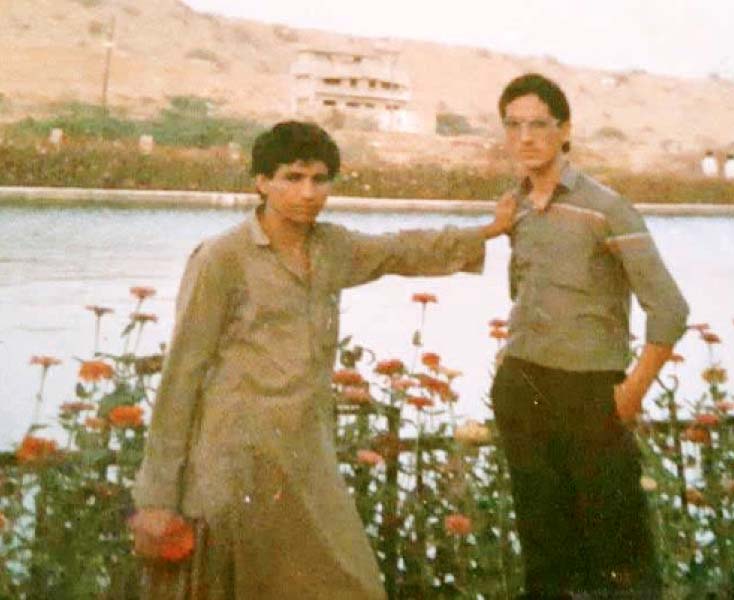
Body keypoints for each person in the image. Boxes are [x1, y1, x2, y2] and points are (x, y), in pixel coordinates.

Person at [129, 121, 515, 599]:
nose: (308, 193)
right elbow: (181, 376)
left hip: (307, 459)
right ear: (261, 182)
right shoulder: (222, 259)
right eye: (292, 178)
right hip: (234, 465)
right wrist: (157, 499)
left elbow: (399, 250)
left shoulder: (332, 248)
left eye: (320, 179)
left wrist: (489, 230)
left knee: (354, 584)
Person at [489, 74, 689, 599]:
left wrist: (631, 393)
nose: (526, 137)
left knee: (618, 554)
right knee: (545, 553)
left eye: (539, 125)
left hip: (591, 396)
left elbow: (668, 308)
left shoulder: (607, 208)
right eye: (514, 125)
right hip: (524, 388)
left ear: (565, 130)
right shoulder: (516, 207)